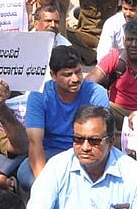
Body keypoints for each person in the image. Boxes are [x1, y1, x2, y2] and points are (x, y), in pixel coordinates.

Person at [21, 46, 110, 190]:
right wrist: (46, 187)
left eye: (78, 72)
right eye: (67, 74)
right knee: (26, 174)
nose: (75, 79)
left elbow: (101, 138)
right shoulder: (38, 95)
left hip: (87, 151)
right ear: (53, 75)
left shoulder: (96, 93)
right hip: (51, 153)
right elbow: (35, 142)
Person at [88, 17, 137, 121]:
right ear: (123, 40)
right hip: (117, 113)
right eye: (130, 39)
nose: (133, 44)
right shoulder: (114, 57)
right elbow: (89, 83)